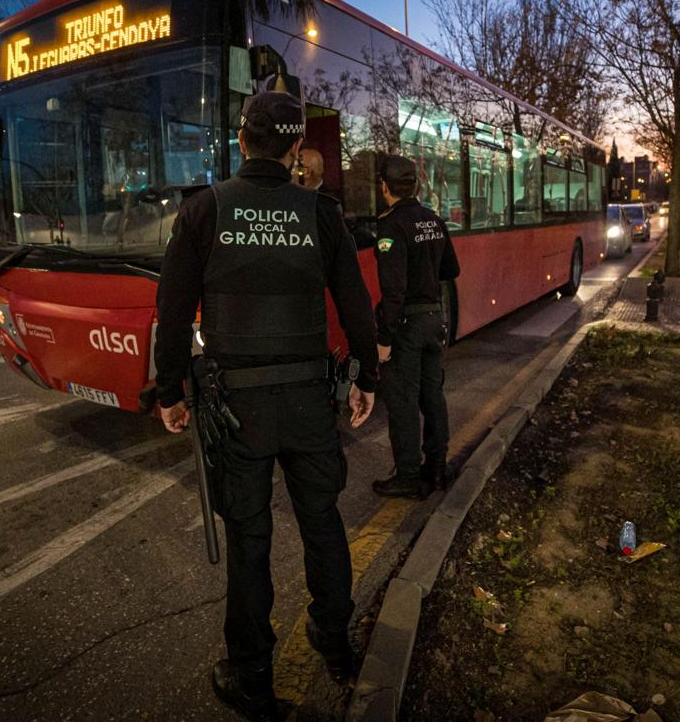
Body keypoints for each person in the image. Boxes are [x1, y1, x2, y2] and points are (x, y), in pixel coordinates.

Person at [153, 91, 378, 721]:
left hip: (237, 413)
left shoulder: (203, 211)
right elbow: (355, 304)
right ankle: (334, 640)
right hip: (309, 400)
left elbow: (170, 312)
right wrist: (365, 376)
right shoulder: (321, 212)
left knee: (249, 539)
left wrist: (168, 390)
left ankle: (251, 674)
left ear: (245, 141)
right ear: (293, 149)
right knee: (322, 521)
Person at [371, 153, 460, 499]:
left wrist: (384, 337)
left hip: (407, 325)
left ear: (385, 187)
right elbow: (450, 270)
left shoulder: (391, 226)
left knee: (402, 399)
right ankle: (437, 468)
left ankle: (408, 474)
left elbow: (393, 291)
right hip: (435, 318)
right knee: (433, 395)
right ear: (416, 185)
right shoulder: (433, 220)